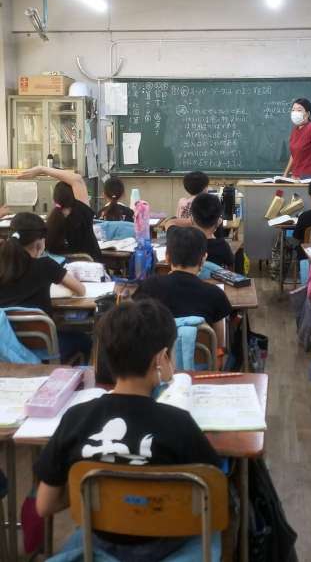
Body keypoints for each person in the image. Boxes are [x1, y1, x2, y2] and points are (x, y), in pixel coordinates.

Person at [35, 298, 219, 561]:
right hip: (167, 544)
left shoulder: (76, 419)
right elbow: (213, 495)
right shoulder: (179, 423)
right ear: (161, 358)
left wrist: (95, 495)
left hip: (98, 544)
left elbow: (44, 505)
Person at [0, 213, 91, 362]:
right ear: (39, 243)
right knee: (86, 339)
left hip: (6, 351)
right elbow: (81, 290)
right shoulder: (46, 265)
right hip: (44, 353)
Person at [134, 226, 232, 345]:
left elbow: (136, 327)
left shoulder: (149, 287)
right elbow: (219, 344)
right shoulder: (216, 295)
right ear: (203, 260)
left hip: (159, 356)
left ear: (167, 257)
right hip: (200, 357)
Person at [19, 166, 101, 262]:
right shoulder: (82, 214)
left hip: (60, 270)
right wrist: (42, 169)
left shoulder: (49, 225)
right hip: (92, 269)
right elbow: (77, 179)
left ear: (55, 199)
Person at [191, 193, 234, 268]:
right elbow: (231, 261)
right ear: (218, 221)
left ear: (192, 220)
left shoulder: (186, 243)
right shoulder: (222, 246)